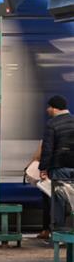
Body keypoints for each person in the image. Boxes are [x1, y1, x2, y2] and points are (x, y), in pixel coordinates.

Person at [39, 95, 74, 231]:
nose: (47, 110)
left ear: (54, 108)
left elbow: (47, 149)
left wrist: (43, 168)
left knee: (58, 200)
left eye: (49, 107)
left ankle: (59, 231)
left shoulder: (52, 124)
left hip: (59, 167)